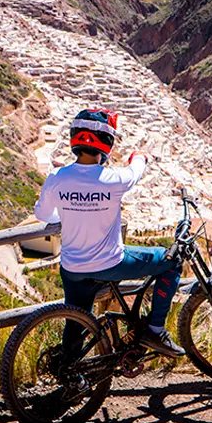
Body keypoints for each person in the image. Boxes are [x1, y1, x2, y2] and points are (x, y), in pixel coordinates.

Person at [34, 109, 184, 357]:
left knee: (77, 320)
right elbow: (136, 168)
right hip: (110, 263)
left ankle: (71, 372)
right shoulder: (114, 179)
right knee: (171, 263)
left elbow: (44, 215)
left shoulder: (56, 178)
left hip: (72, 268)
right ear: (107, 143)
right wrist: (139, 156)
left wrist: (69, 211)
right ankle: (155, 330)